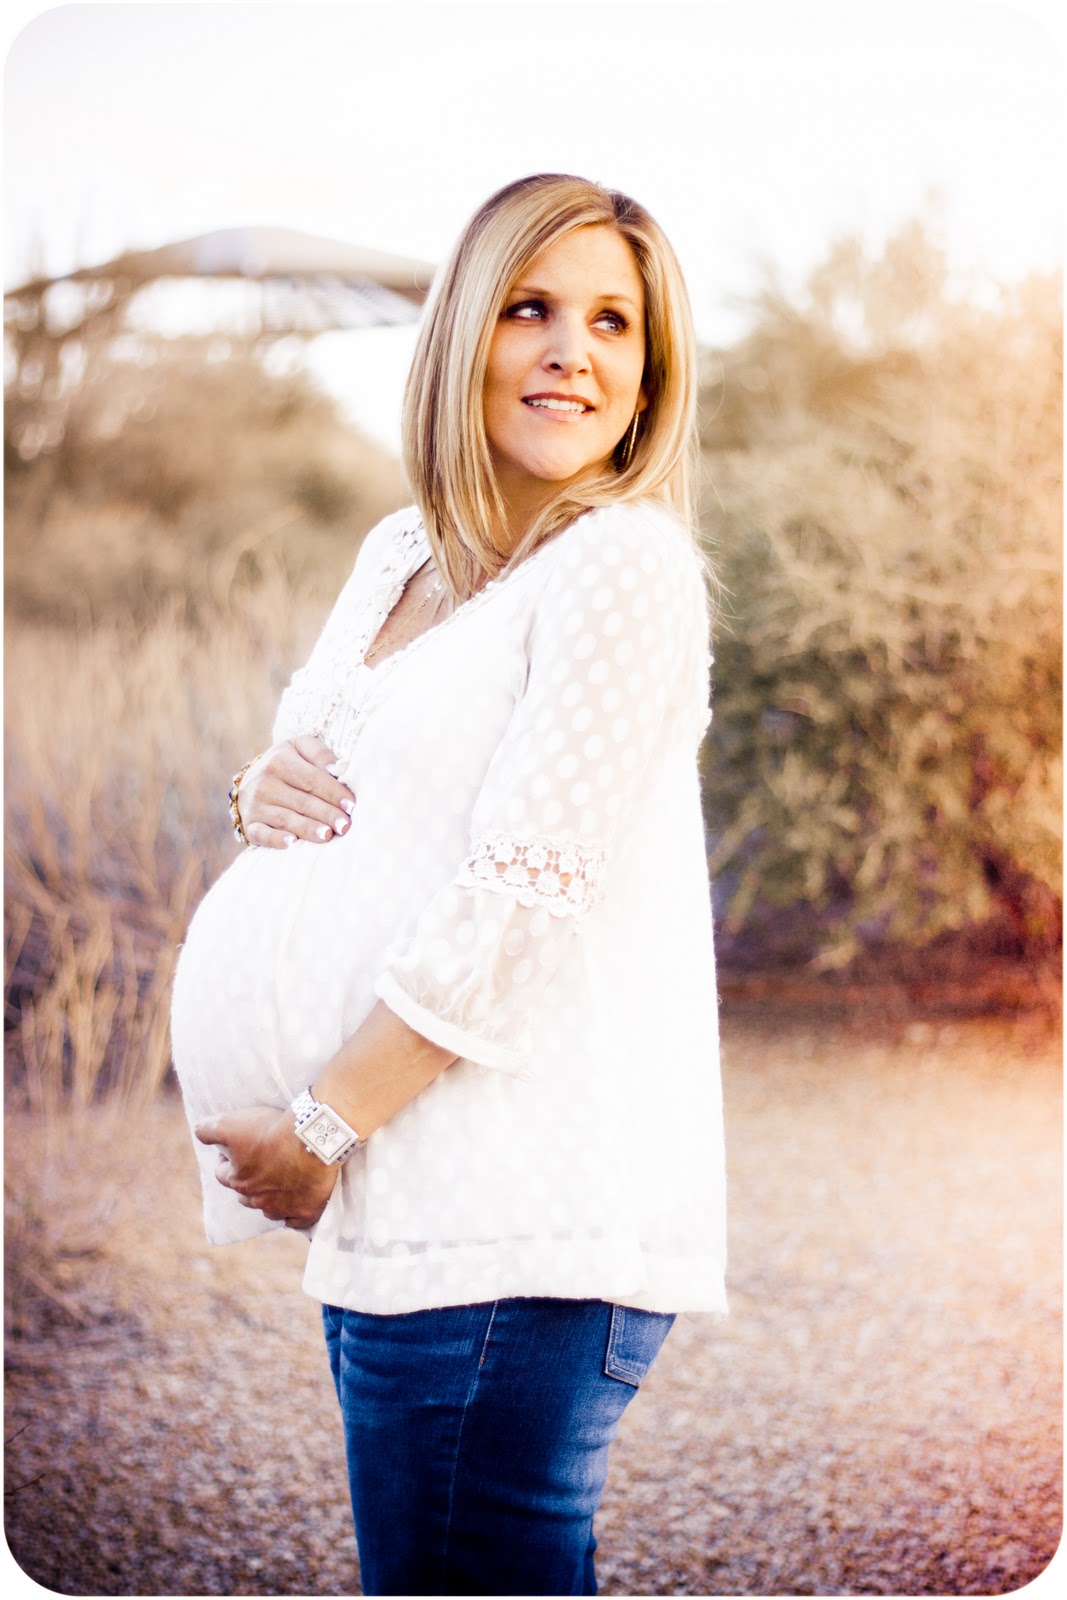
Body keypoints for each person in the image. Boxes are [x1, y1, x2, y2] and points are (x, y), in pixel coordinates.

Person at [171, 172, 727, 1597]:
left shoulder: (624, 569)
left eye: (615, 322)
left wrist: (319, 1122)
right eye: (530, 309)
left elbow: (518, 901)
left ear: (650, 369)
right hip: (406, 1203)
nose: (573, 351)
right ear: (461, 331)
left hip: (508, 1225)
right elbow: (329, 767)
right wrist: (253, 787)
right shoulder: (401, 551)